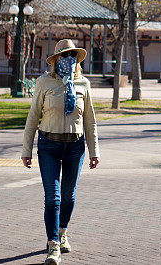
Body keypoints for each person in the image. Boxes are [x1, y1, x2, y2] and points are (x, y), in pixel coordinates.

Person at [22, 39, 100, 265]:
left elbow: (90, 120)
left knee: (69, 196)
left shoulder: (83, 84)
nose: (69, 60)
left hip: (75, 146)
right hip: (48, 146)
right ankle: (53, 244)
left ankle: (63, 231)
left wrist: (94, 151)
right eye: (64, 56)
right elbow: (32, 117)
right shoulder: (44, 82)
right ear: (56, 60)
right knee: (53, 198)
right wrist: (26, 149)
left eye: (72, 56)